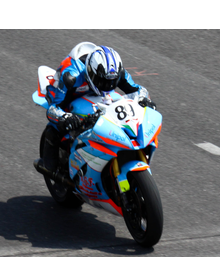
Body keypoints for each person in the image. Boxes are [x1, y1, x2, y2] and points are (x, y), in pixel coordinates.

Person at [42, 42, 157, 174]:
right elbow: (53, 108)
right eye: (104, 82)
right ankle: (50, 166)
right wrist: (65, 117)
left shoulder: (116, 72)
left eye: (112, 82)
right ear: (91, 73)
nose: (108, 85)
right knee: (58, 126)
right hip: (69, 93)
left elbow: (138, 90)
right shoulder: (71, 76)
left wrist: (144, 99)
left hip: (96, 95)